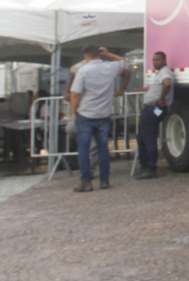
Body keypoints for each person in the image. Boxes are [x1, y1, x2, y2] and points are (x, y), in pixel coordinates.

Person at [67, 45, 130, 192]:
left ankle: (86, 181)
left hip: (86, 113)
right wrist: (108, 54)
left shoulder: (83, 71)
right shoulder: (110, 67)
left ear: (86, 56)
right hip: (104, 113)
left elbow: (75, 94)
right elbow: (122, 61)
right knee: (103, 149)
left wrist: (73, 111)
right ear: (100, 54)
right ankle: (104, 180)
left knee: (84, 148)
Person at [134, 51, 174, 179]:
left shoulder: (164, 72)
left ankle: (150, 167)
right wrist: (141, 90)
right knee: (142, 137)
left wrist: (161, 98)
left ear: (164, 60)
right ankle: (145, 165)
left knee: (148, 137)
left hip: (153, 108)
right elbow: (157, 87)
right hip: (153, 108)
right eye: (154, 60)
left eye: (158, 60)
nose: (155, 62)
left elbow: (167, 83)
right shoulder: (160, 73)